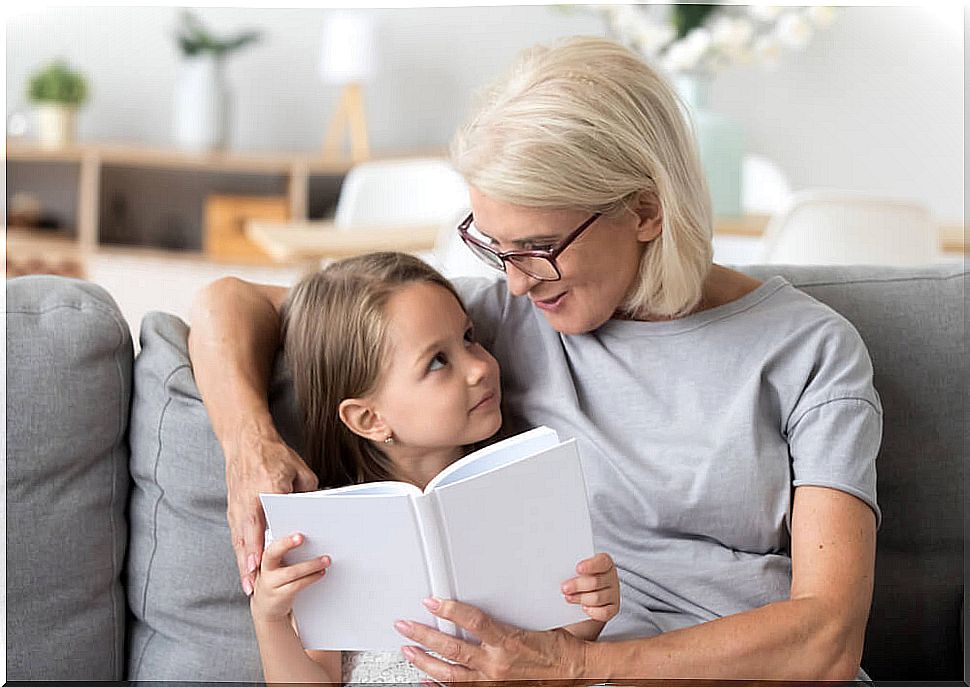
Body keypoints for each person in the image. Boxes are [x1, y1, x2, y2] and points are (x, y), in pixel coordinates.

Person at [188, 36, 880, 681]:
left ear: (644, 211)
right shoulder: (493, 325)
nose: (514, 281)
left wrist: (573, 666)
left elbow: (828, 638)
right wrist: (248, 440)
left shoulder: (810, 352)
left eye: (537, 247)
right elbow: (228, 301)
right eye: (494, 247)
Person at [247, 251, 620, 683]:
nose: (480, 367)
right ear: (370, 419)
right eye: (438, 361)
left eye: (469, 337)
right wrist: (270, 620)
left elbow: (559, 650)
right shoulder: (334, 533)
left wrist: (593, 609)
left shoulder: (523, 491)